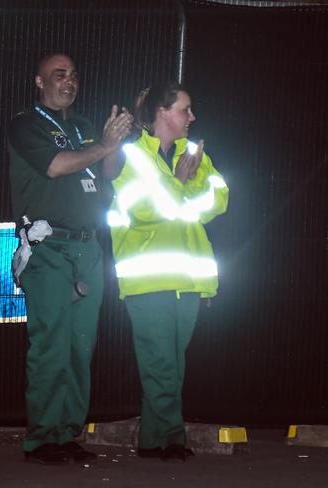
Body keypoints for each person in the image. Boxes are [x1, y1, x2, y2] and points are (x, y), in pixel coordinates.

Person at [7, 53, 133, 464]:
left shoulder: (80, 125)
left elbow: (110, 171)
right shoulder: (26, 124)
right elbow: (56, 165)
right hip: (49, 247)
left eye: (74, 75)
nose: (69, 82)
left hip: (87, 247)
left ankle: (66, 433)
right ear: (39, 81)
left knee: (81, 346)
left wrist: (114, 145)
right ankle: (41, 438)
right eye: (59, 75)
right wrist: (103, 145)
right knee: (52, 344)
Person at [107, 83, 229, 461]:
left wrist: (182, 189)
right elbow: (140, 210)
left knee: (172, 364)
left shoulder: (194, 153)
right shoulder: (130, 155)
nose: (191, 117)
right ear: (162, 112)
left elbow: (218, 200)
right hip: (148, 281)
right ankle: (172, 440)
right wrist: (180, 186)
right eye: (185, 110)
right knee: (161, 363)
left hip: (188, 280)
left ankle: (152, 442)